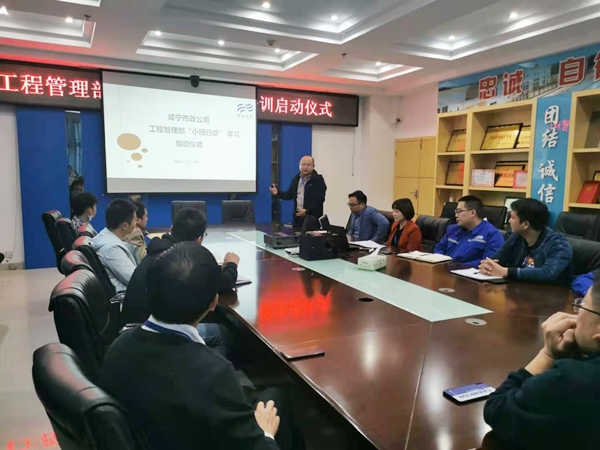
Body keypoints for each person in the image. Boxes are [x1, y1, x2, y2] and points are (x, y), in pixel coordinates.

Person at [100, 242, 301, 450]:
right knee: (275, 399)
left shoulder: (118, 347)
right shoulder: (213, 373)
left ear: (148, 291)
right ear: (213, 303)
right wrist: (266, 434)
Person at [483, 276, 600, 449]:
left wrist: (548, 354)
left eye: (582, 305)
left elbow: (497, 410)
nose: (576, 313)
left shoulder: (571, 380)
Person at [123, 207, 239, 356]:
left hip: (136, 331)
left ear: (171, 229)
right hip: (155, 333)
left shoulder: (161, 251)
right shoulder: (180, 261)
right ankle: (207, 367)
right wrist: (231, 265)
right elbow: (224, 283)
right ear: (199, 240)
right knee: (224, 333)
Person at [478, 198, 572, 286]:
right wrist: (487, 266)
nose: (509, 221)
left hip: (551, 293)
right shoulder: (516, 237)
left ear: (526, 224)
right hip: (519, 289)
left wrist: (506, 272)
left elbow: (547, 273)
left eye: (512, 218)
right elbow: (496, 259)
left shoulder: (559, 244)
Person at [434, 195, 503, 267]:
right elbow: (439, 247)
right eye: (456, 212)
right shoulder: (452, 229)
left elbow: (487, 262)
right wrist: (440, 260)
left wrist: (459, 266)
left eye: (459, 211)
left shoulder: (493, 235)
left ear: (472, 213)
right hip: (445, 269)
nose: (456, 215)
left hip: (468, 272)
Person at [91, 199, 138, 293]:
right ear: (125, 225)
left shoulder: (104, 237)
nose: (136, 224)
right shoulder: (112, 249)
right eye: (135, 220)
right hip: (127, 298)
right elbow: (136, 280)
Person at [269, 156, 326, 226]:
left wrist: (307, 211)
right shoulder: (296, 179)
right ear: (299, 165)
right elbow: (289, 195)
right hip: (298, 217)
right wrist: (277, 193)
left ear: (313, 166)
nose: (305, 167)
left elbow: (320, 199)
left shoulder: (318, 180)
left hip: (312, 218)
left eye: (308, 165)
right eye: (303, 164)